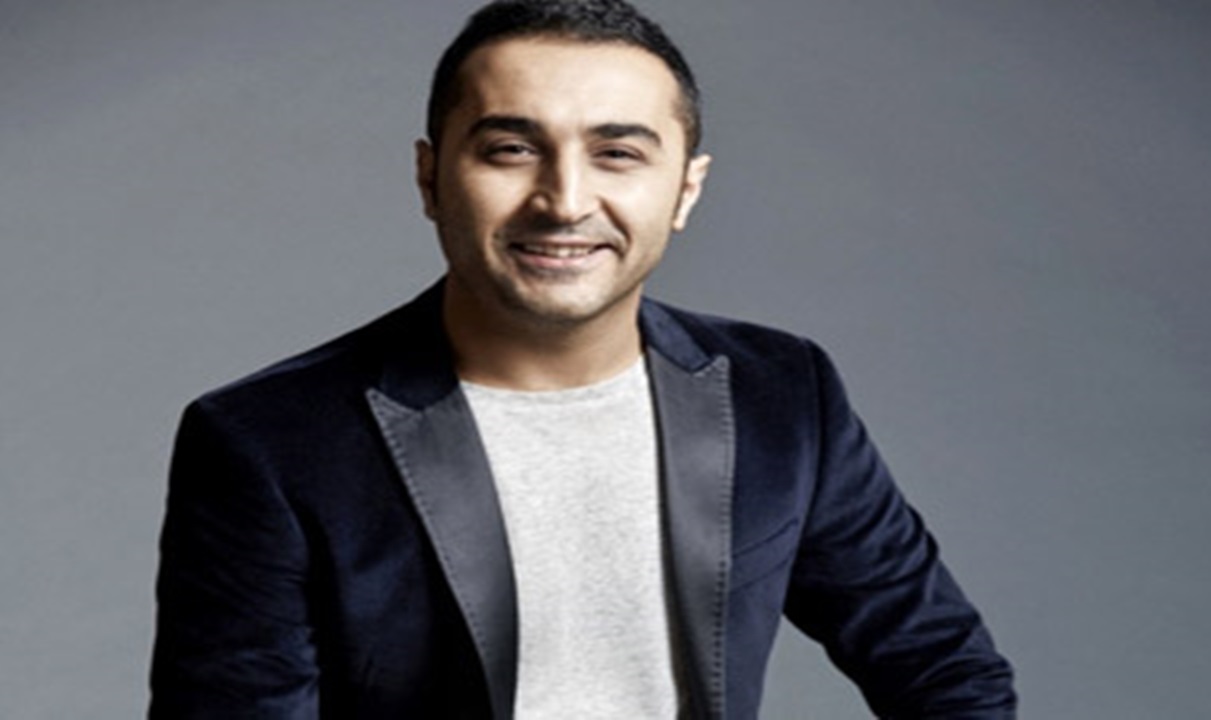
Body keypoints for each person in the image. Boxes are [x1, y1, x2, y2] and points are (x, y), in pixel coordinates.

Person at [148, 1, 1016, 717]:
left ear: (685, 190)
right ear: (429, 178)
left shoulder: (782, 393)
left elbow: (944, 671)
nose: (564, 200)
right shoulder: (269, 439)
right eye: (511, 149)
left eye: (618, 154)